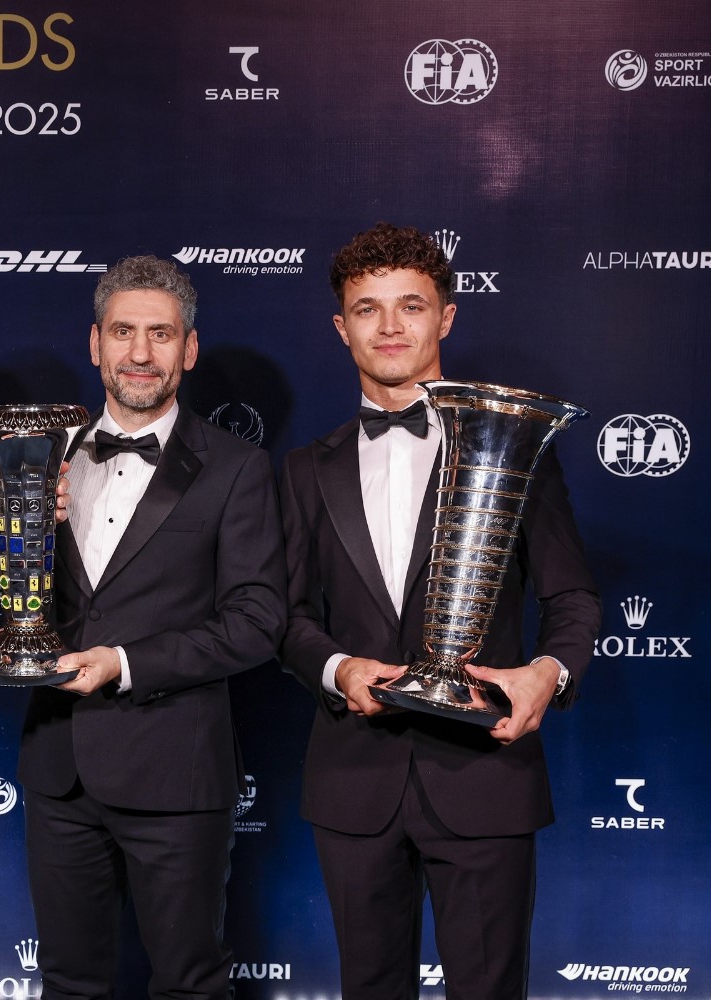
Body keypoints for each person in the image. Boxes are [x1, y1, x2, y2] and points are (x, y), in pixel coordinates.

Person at [279, 222, 600, 1000]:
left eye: (411, 305)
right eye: (367, 308)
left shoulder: (519, 449)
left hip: (486, 771)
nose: (390, 326)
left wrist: (547, 675)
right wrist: (337, 666)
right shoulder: (300, 470)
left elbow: (573, 598)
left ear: (445, 317)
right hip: (354, 779)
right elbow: (282, 616)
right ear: (340, 326)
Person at [18, 255, 287, 1000]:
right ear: (95, 342)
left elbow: (257, 622)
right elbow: (6, 592)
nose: (141, 352)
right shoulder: (39, 459)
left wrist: (124, 662)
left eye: (161, 334)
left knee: (190, 983)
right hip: (58, 768)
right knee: (69, 982)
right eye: (125, 332)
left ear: (189, 349)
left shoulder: (237, 468)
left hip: (177, 773)